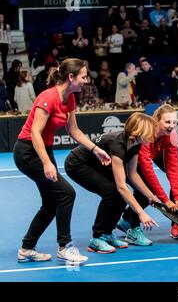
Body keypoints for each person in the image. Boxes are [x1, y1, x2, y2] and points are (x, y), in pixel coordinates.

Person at [13, 58, 110, 264]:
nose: (86, 80)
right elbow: (36, 134)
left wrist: (95, 149)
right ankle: (65, 247)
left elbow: (74, 131)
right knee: (66, 194)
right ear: (71, 77)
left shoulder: (70, 99)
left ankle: (26, 248)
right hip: (28, 151)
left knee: (51, 202)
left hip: (43, 151)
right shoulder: (48, 97)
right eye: (83, 77)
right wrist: (47, 162)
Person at [65, 112, 160, 253]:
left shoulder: (136, 143)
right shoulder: (118, 144)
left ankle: (107, 234)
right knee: (110, 192)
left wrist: (149, 195)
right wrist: (141, 213)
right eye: (150, 132)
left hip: (97, 164)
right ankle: (96, 238)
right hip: (77, 164)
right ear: (138, 131)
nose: (153, 136)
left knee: (119, 194)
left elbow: (132, 174)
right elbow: (122, 187)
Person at [117, 104, 178, 242]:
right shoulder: (146, 133)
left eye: (174, 122)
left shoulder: (171, 136)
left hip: (136, 164)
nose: (172, 125)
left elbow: (173, 167)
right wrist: (165, 200)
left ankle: (126, 220)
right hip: (122, 162)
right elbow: (147, 169)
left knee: (147, 194)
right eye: (167, 122)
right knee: (144, 193)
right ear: (156, 120)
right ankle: (133, 229)